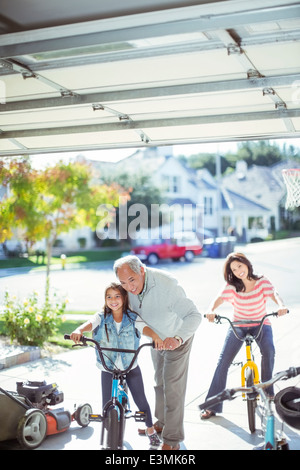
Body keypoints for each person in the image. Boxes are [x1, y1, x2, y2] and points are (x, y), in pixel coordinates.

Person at [113, 255, 202, 450]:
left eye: (132, 280)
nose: (129, 287)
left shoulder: (166, 285)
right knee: (159, 382)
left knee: (172, 387)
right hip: (156, 340)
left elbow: (194, 316)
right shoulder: (127, 289)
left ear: (142, 270)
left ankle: (172, 439)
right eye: (123, 282)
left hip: (177, 338)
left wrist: (177, 338)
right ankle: (162, 423)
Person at [70, 281, 163, 447]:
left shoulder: (133, 318)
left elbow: (145, 329)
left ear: (124, 298)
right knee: (107, 402)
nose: (113, 300)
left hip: (129, 365)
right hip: (108, 366)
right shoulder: (101, 317)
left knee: (140, 400)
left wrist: (155, 337)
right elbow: (89, 323)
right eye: (109, 297)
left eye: (117, 296)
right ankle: (110, 428)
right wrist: (79, 331)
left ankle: (150, 430)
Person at [200, 252, 288, 419]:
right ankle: (212, 405)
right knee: (223, 361)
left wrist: (281, 306)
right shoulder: (232, 285)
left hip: (260, 323)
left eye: (239, 266)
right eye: (234, 269)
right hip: (238, 325)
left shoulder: (262, 280)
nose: (238, 271)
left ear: (246, 264)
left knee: (269, 351)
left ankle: (268, 392)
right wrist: (211, 310)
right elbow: (219, 298)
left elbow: (274, 294)